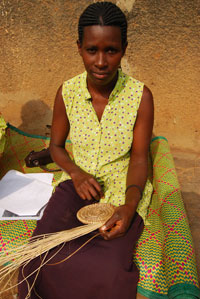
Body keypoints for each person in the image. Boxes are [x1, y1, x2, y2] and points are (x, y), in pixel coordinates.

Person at [18, 2, 154, 298]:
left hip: (121, 192)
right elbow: (55, 147)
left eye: (111, 50)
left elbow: (141, 157)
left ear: (124, 48)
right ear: (79, 47)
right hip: (74, 189)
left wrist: (129, 208)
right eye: (92, 50)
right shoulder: (66, 92)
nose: (101, 61)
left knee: (106, 269)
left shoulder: (140, 96)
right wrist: (76, 174)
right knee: (37, 259)